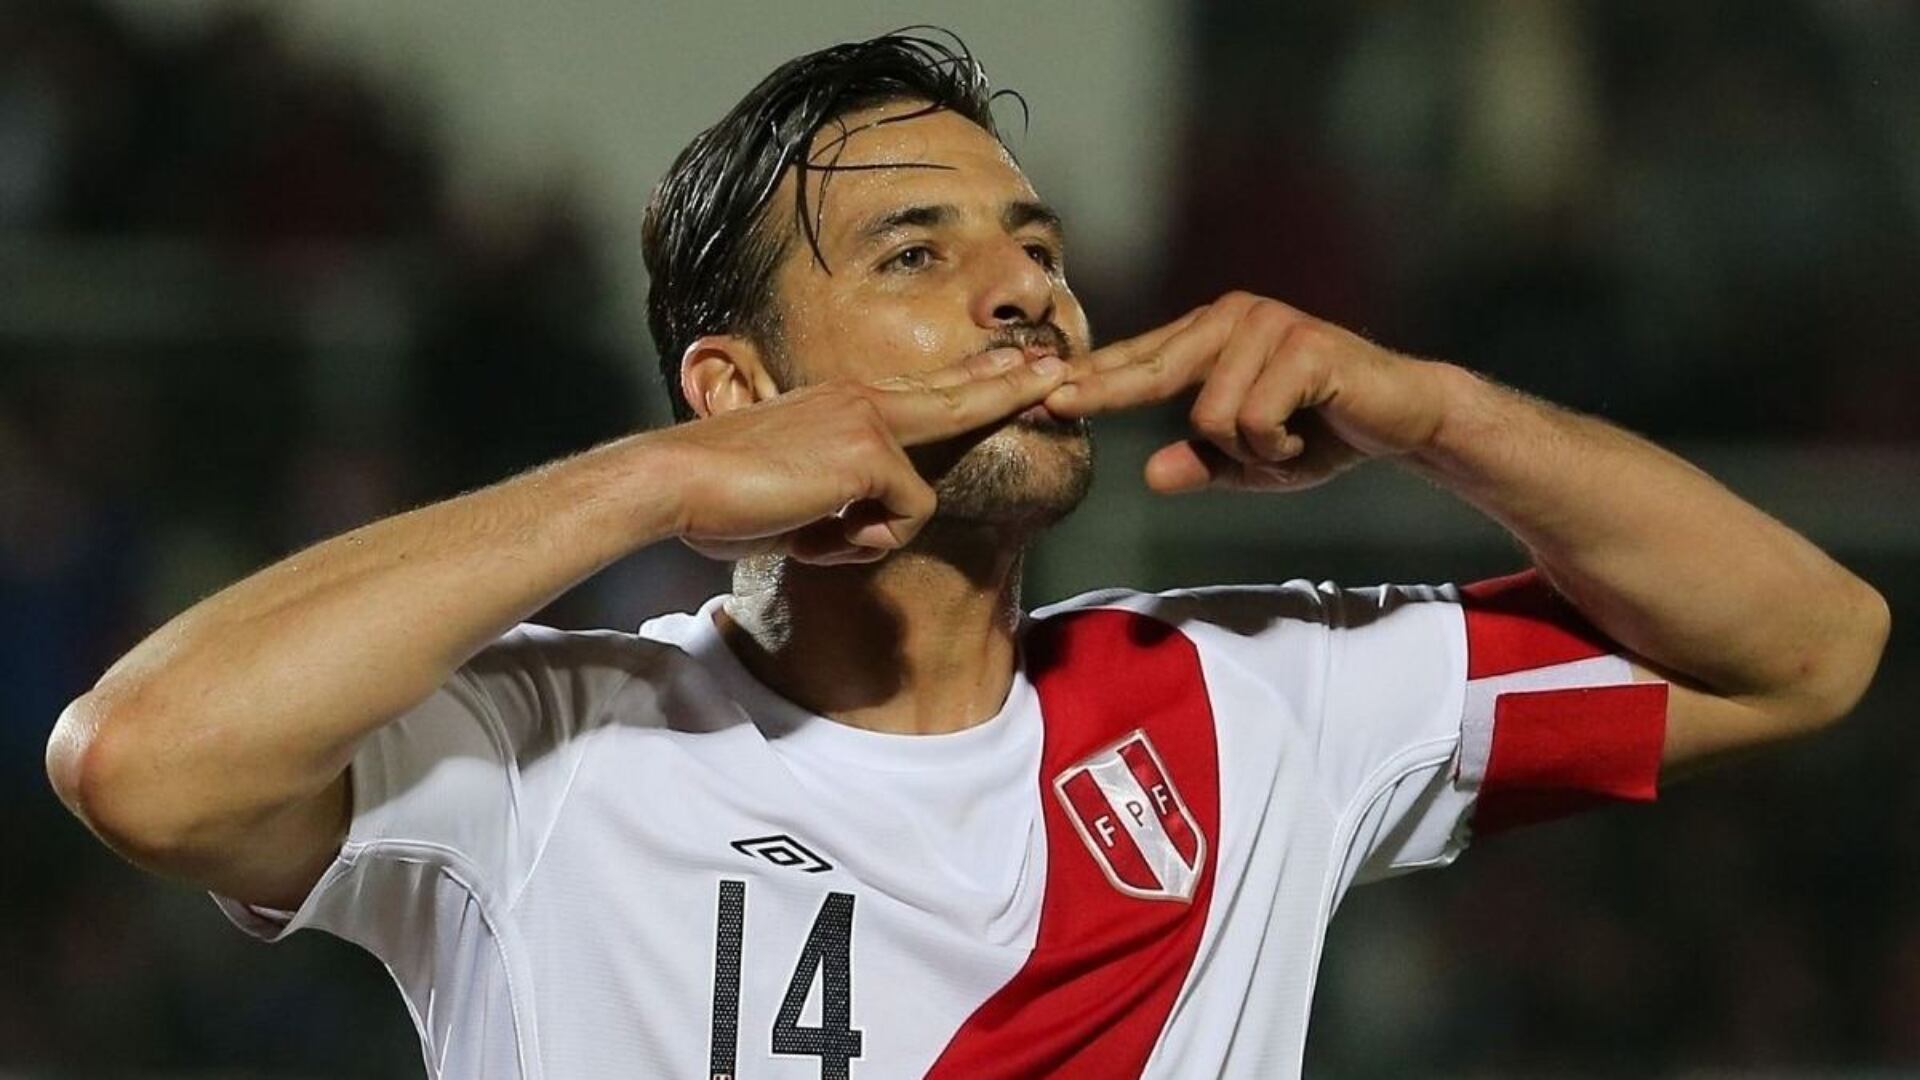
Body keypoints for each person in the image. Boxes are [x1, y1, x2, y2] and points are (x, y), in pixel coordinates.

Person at [46, 31, 1887, 1080]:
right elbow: (141, 759)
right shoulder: (539, 754)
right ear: (738, 388)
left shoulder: (1264, 704)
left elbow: (1805, 647)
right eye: (916, 256)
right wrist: (649, 484)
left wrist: (1430, 410)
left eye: (1034, 245)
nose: (1029, 292)